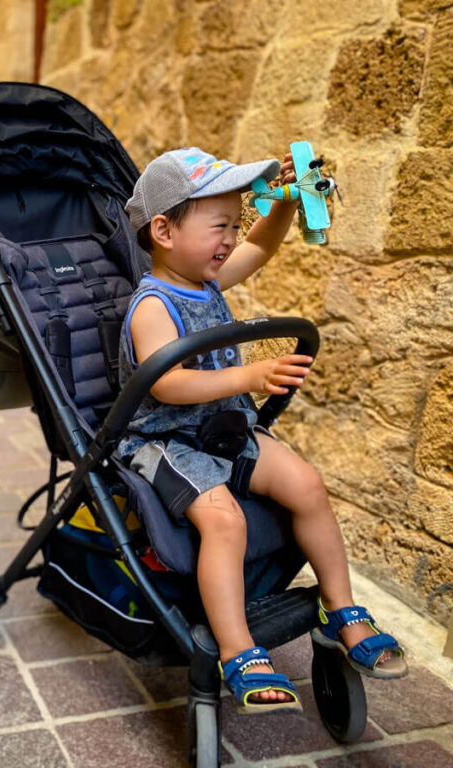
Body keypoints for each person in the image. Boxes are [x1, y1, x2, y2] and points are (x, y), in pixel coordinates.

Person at [118, 147, 407, 714]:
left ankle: (341, 607)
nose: (230, 238)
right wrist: (250, 372)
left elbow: (261, 245)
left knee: (305, 483)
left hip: (225, 428)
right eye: (219, 225)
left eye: (233, 224)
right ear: (164, 230)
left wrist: (288, 204)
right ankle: (236, 647)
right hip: (168, 442)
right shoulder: (152, 304)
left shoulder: (208, 279)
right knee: (222, 522)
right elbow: (166, 383)